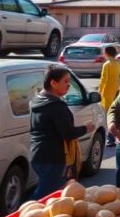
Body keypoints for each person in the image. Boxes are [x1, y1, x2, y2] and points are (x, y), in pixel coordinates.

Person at [29, 66, 94, 198]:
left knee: (50, 193)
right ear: (53, 83)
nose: (69, 85)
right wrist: (86, 128)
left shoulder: (37, 100)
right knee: (45, 196)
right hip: (53, 157)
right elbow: (68, 133)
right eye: (65, 81)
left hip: (38, 155)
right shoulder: (56, 106)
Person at [98, 45, 120, 147]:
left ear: (107, 53)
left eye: (104, 52)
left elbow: (104, 80)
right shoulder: (117, 64)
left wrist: (99, 92)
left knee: (107, 116)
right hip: (115, 91)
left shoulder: (107, 64)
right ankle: (113, 137)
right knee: (113, 114)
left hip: (106, 92)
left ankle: (110, 138)